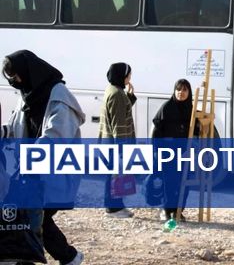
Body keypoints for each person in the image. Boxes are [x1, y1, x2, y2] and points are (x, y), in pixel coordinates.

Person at [1, 50, 84, 265]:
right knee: (35, 215)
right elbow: (16, 126)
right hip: (32, 173)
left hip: (55, 170)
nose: (16, 83)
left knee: (36, 215)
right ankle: (67, 257)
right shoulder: (28, 94)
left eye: (17, 77)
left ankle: (66, 257)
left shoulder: (58, 95)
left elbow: (56, 136)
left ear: (29, 72)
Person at [151, 79, 198, 221]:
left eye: (184, 90)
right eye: (178, 89)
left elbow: (196, 133)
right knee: (169, 181)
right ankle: (166, 210)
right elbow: (156, 132)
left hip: (185, 152)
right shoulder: (167, 107)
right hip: (168, 151)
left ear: (189, 93)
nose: (180, 93)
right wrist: (156, 152)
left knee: (184, 181)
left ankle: (178, 210)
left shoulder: (192, 110)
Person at [98, 62, 137, 217]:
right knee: (115, 175)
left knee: (115, 175)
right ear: (122, 76)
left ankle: (117, 206)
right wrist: (121, 148)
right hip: (114, 144)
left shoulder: (113, 90)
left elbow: (121, 111)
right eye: (128, 75)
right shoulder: (117, 94)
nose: (129, 78)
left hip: (109, 143)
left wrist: (130, 97)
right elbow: (118, 123)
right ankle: (113, 208)